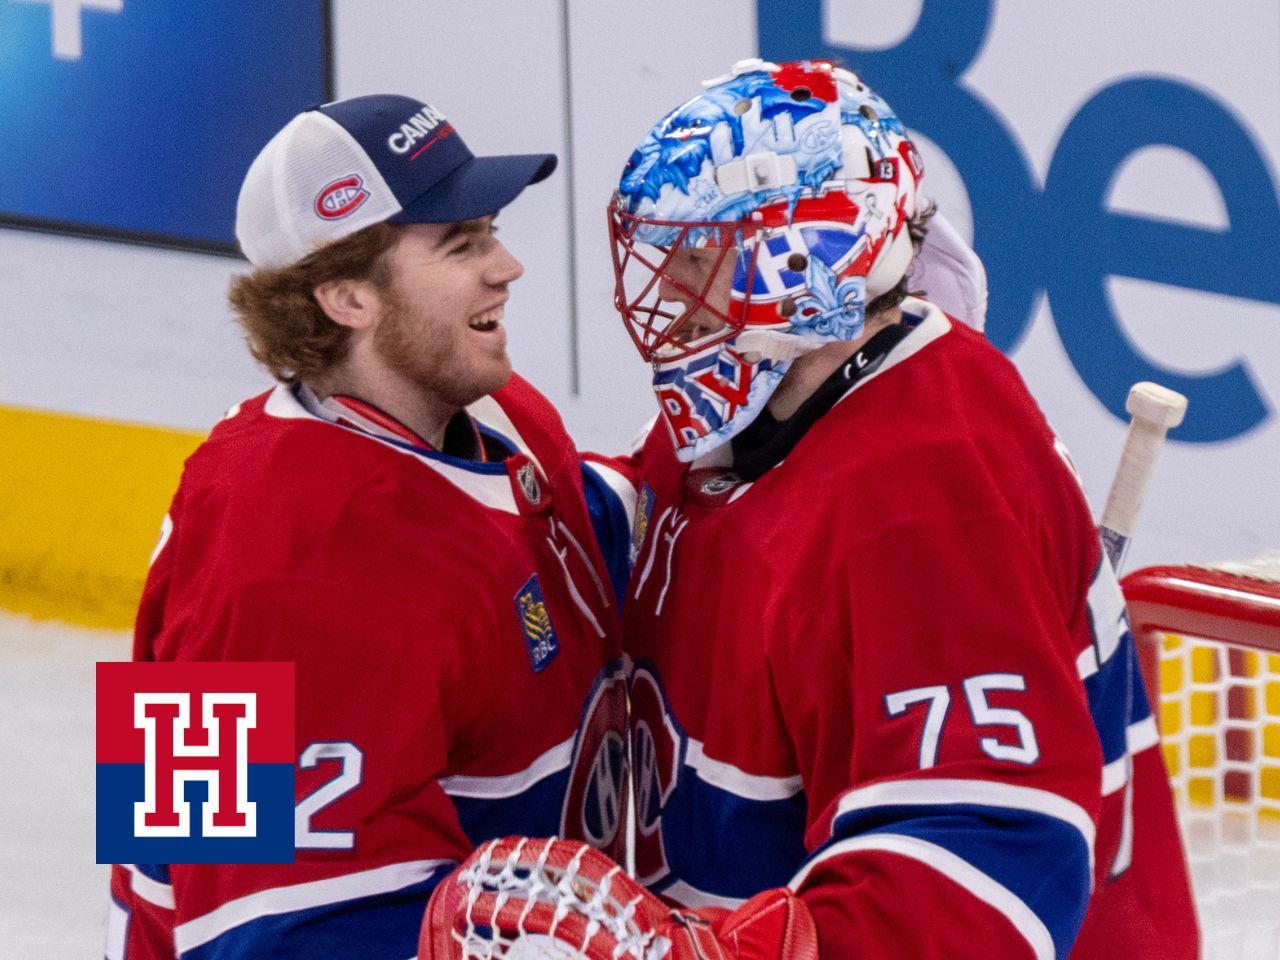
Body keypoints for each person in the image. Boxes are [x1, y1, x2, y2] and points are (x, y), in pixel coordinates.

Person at [605, 59, 1198, 958]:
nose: (670, 289)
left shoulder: (921, 494)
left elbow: (985, 856)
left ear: (803, 257)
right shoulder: (759, 409)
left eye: (700, 252)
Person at [107, 94, 631, 960]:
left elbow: (587, 534)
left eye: (490, 230)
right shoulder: (275, 564)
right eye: (461, 246)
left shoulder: (483, 410)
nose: (506, 267)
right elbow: (259, 932)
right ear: (347, 296)